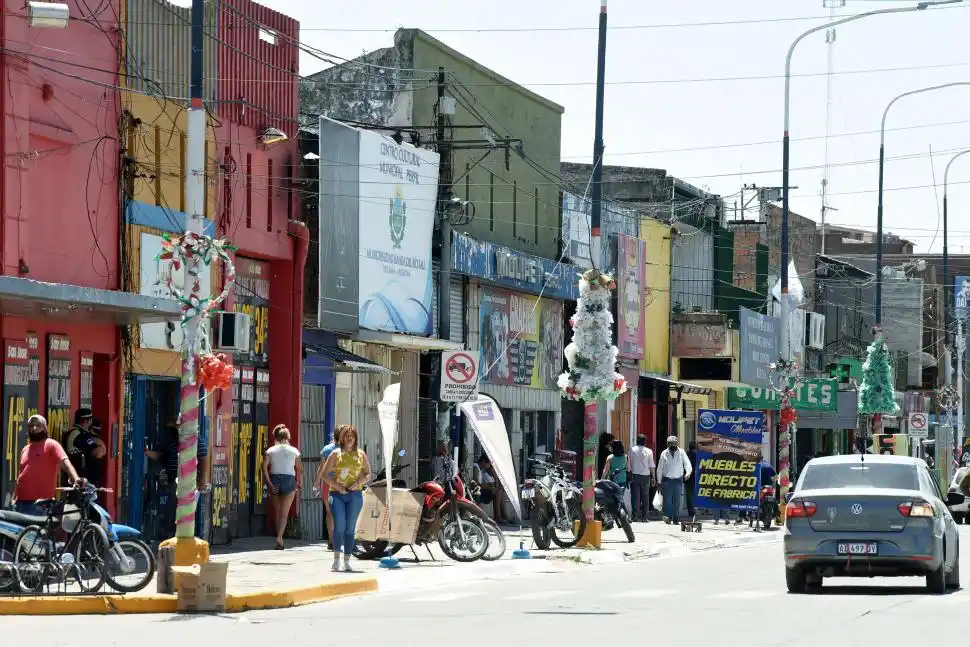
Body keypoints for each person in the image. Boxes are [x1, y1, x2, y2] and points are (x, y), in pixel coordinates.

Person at [319, 424, 371, 572]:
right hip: (337, 494)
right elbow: (324, 474)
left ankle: (347, 560)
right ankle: (336, 559)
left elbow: (368, 474)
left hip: (355, 495)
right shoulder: (335, 453)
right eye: (346, 435)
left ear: (356, 438)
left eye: (352, 436)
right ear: (341, 437)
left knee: (350, 529)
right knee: (339, 526)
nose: (349, 438)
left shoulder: (361, 454)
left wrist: (358, 483)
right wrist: (338, 486)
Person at [14, 414, 84, 515]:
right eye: (31, 426)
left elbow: (65, 463)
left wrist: (76, 478)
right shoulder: (25, 449)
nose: (34, 428)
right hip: (20, 502)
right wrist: (13, 498)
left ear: (45, 428)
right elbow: (20, 476)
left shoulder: (51, 444)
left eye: (38, 425)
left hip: (40, 503)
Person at [263, 425, 303, 550]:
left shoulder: (270, 450)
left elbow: (264, 467)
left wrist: (269, 483)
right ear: (287, 437)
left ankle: (278, 537)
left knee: (278, 511)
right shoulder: (294, 451)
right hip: (289, 480)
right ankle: (280, 538)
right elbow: (300, 469)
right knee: (284, 514)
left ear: (275, 436)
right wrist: (299, 482)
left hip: (275, 479)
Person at [65, 408, 106, 485]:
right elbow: (98, 453)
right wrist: (100, 445)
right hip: (83, 480)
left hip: (82, 478)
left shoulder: (82, 433)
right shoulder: (80, 435)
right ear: (87, 421)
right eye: (90, 419)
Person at [656, 435, 692, 524]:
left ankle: (676, 518)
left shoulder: (682, 452)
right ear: (668, 444)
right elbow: (660, 468)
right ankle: (668, 517)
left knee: (677, 501)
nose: (673, 445)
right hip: (667, 480)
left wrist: (688, 473)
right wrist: (659, 480)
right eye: (671, 444)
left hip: (678, 480)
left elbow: (687, 464)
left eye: (675, 444)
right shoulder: (664, 453)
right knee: (667, 501)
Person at [314, 435, 338, 550]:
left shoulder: (327, 449)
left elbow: (321, 468)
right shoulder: (348, 448)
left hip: (327, 483)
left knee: (329, 512)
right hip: (343, 483)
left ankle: (331, 539)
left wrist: (317, 483)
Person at [475, 455, 508, 524]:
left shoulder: (483, 470)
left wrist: (495, 478)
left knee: (501, 491)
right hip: (478, 492)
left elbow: (495, 485)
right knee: (498, 491)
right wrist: (491, 486)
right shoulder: (476, 467)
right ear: (484, 462)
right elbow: (476, 484)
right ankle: (499, 516)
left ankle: (501, 516)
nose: (489, 466)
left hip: (482, 490)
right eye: (489, 464)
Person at [629, 435, 655, 522]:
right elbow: (651, 465)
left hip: (634, 475)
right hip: (645, 476)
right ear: (645, 441)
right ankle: (645, 517)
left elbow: (628, 463)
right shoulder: (649, 451)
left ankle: (635, 516)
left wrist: (628, 473)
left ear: (637, 441)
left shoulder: (632, 449)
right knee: (645, 497)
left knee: (635, 497)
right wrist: (653, 477)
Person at [685, 441, 698, 520]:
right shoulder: (696, 455)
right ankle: (693, 511)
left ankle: (690, 511)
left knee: (689, 495)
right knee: (693, 495)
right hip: (695, 477)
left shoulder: (686, 454)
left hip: (687, 477)